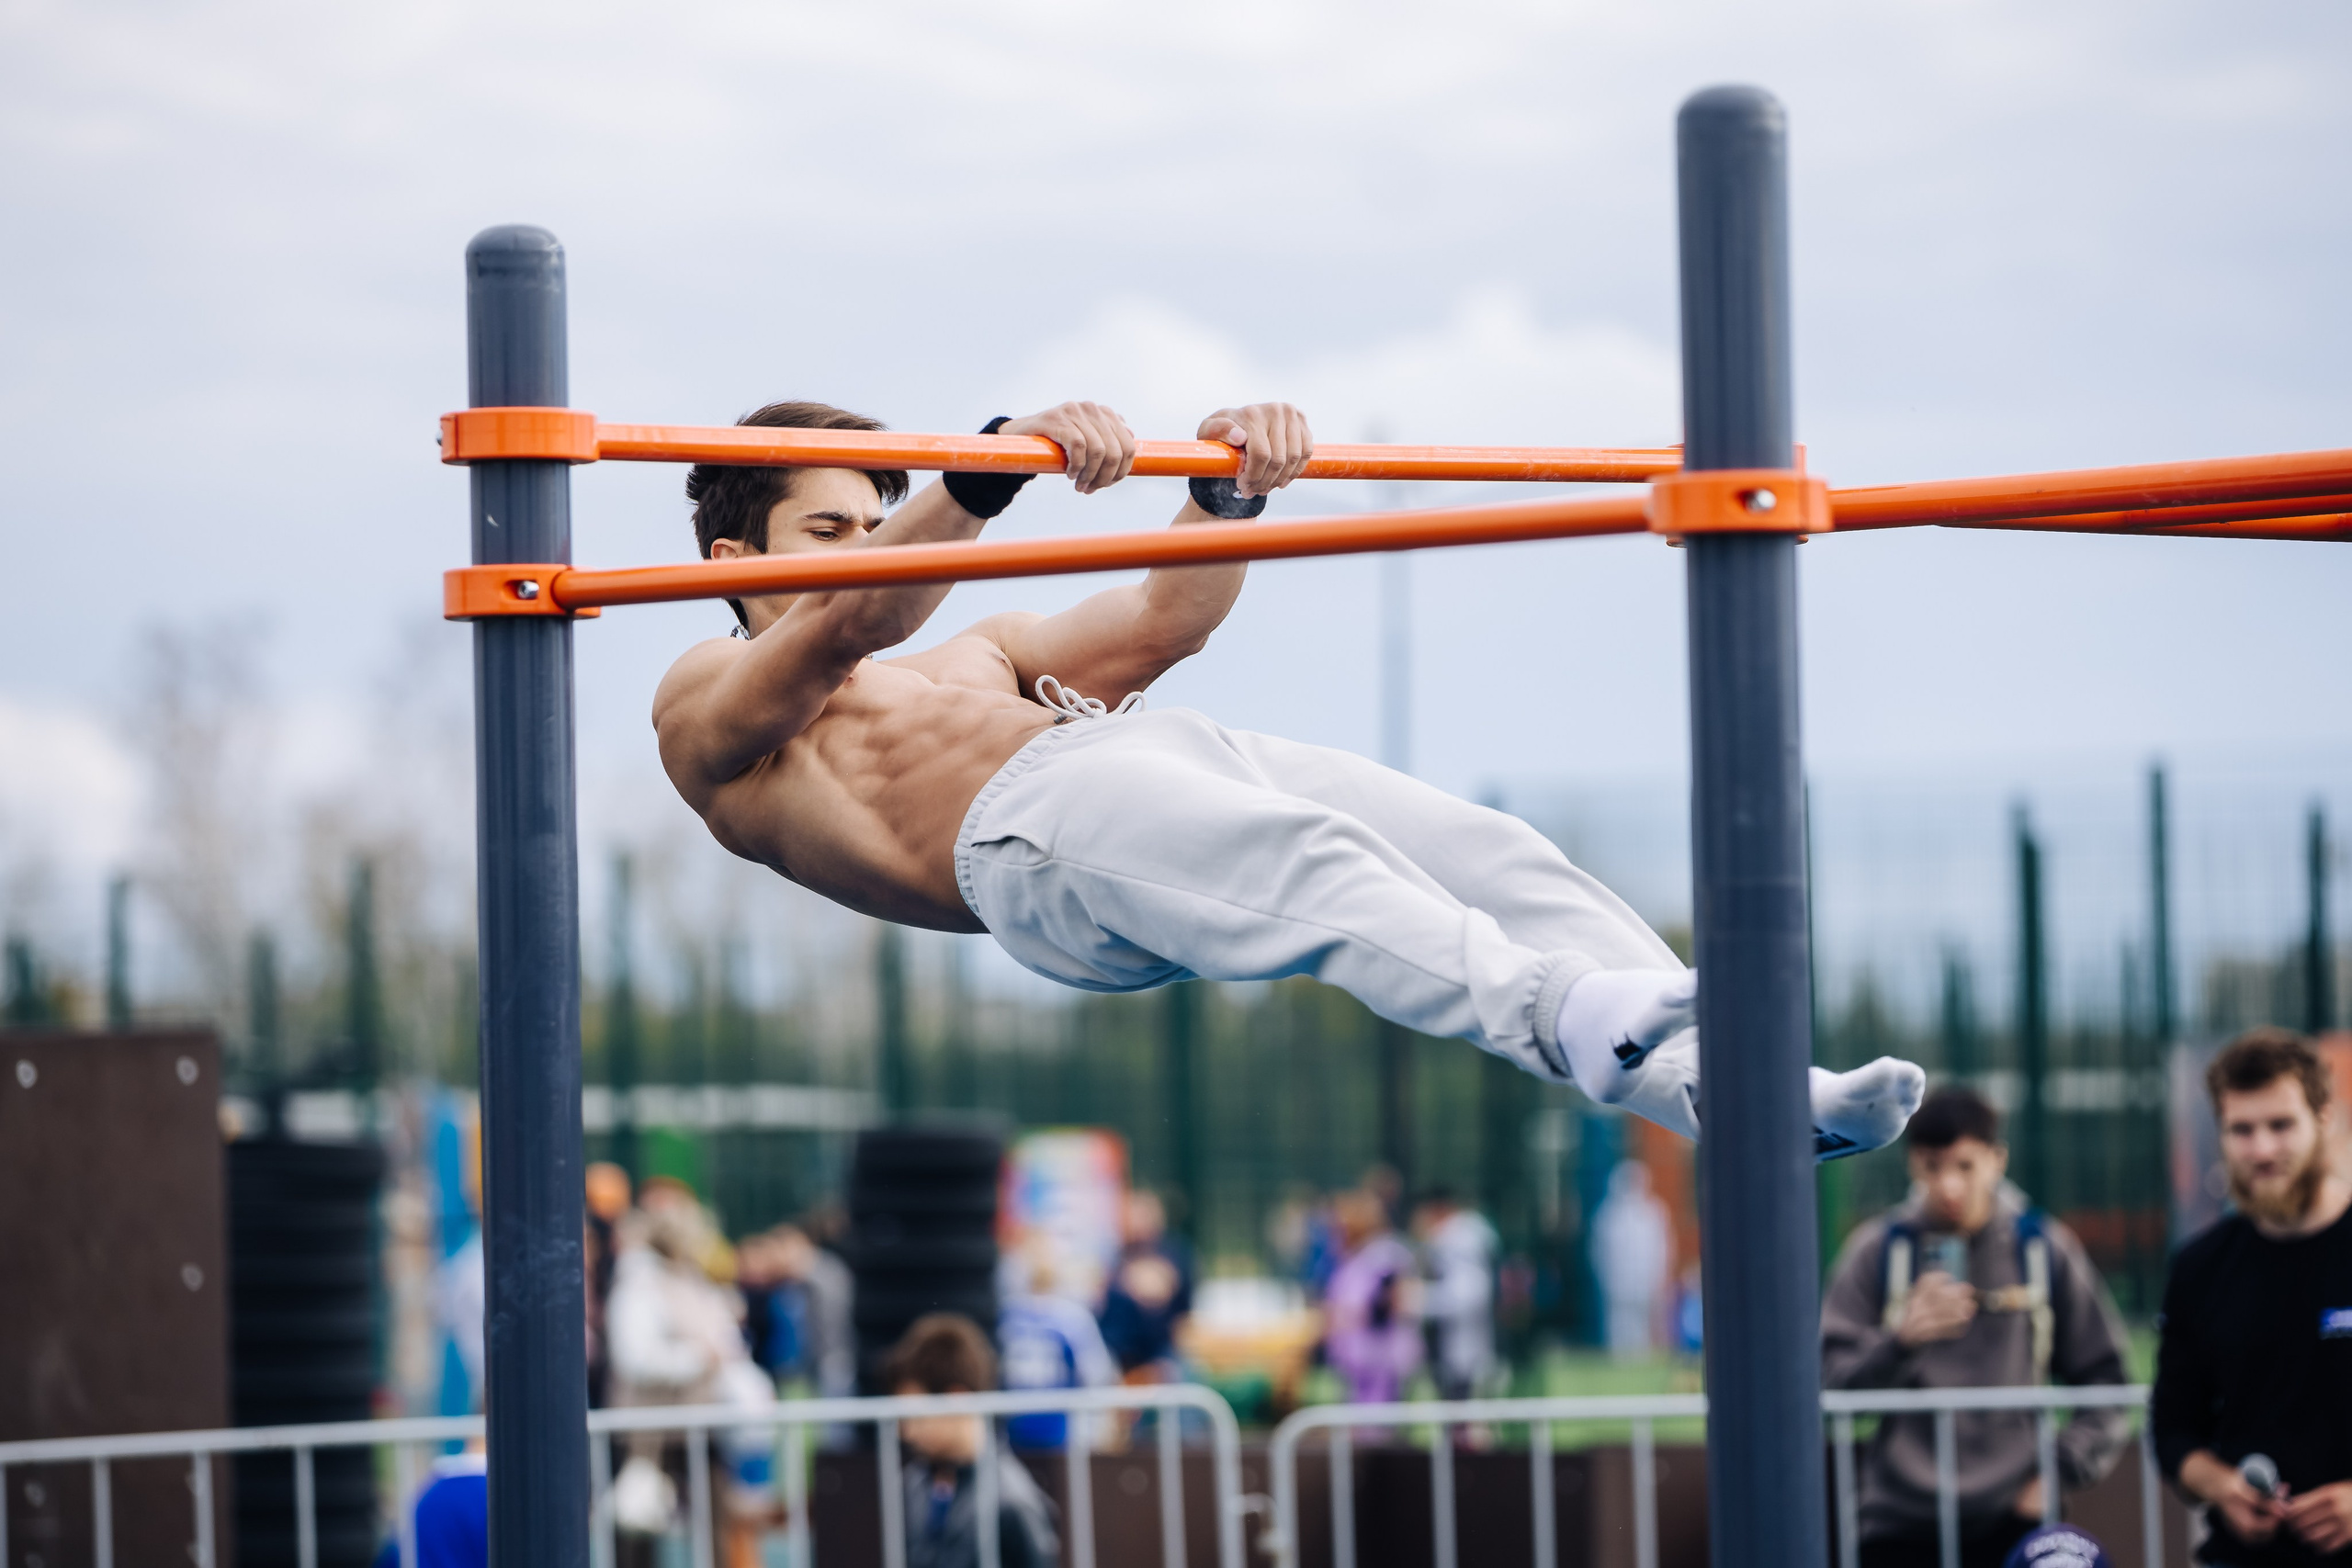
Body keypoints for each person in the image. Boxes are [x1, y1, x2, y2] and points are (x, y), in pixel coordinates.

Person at [650, 400, 1924, 1158]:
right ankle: (1560, 1011)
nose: (865, 546)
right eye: (832, 527)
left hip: (1144, 761)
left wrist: (1228, 490)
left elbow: (1163, 617)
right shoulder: (713, 692)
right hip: (1027, 842)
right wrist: (976, 479)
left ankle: (1738, 1085)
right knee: (1319, 875)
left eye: (880, 519)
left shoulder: (969, 651)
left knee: (1476, 850)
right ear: (730, 553)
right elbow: (848, 625)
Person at [1821, 1087, 2132, 1568]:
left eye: (1965, 1166)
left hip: (2017, 1514)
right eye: (1932, 1166)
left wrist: (2057, 1471)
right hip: (1898, 1520)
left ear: (1996, 1161)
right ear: (1911, 1165)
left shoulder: (2041, 1248)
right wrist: (1899, 1341)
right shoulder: (1876, 1251)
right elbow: (1824, 1382)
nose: (1948, 1186)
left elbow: (2109, 1384)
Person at [2151, 1028, 2352, 1567]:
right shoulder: (2199, 1268)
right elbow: (2171, 1429)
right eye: (2242, 1129)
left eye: (2281, 1125)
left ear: (2324, 1117)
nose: (2262, 1150)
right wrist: (2222, 1487)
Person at [886, 1314, 1060, 1568]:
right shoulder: (914, 1484)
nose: (905, 1432)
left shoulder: (1012, 1500)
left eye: (915, 1417)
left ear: (957, 1398)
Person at [1323, 1188, 1423, 1408]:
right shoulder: (1354, 1256)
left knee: (1376, 1420)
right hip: (1357, 1356)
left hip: (1378, 1354)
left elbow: (1390, 1302)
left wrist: (1351, 1316)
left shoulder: (1384, 1255)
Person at [1097, 1190, 1193, 1383]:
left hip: (1160, 1355)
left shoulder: (1173, 1251)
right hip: (1117, 1354)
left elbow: (1161, 1293)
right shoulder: (1118, 1253)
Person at [1414, 1187, 1500, 1400]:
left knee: (1465, 1414)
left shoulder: (1460, 1240)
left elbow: (1470, 1295)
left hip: (1465, 1352)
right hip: (1458, 1349)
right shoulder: (1458, 1238)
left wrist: (1420, 1300)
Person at [1591, 1159, 1674, 1360]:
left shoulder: (1654, 1212)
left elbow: (1663, 1249)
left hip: (1646, 1282)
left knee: (1646, 1327)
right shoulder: (1608, 1215)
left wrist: (1660, 1277)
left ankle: (1642, 1361)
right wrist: (1606, 1280)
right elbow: (1599, 1252)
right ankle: (1620, 1360)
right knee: (1620, 1326)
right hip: (1619, 1284)